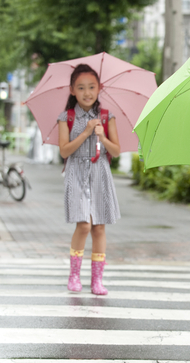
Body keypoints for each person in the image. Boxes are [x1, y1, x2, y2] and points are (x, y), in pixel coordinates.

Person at [57, 64, 121, 296]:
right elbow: (64, 152)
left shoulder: (106, 117)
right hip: (76, 172)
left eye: (92, 87)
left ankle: (97, 280)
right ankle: (74, 275)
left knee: (99, 226)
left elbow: (115, 151)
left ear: (99, 88)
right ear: (72, 90)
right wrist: (84, 133)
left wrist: (101, 136)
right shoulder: (67, 117)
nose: (87, 92)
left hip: (100, 172)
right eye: (81, 87)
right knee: (83, 224)